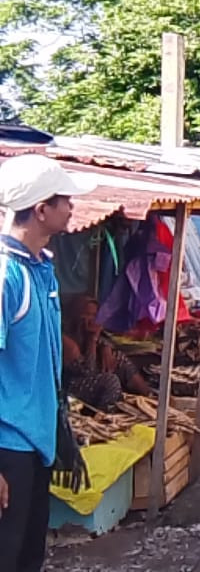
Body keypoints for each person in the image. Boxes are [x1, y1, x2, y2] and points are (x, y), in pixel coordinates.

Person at [0, 154, 95, 572]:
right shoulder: (6, 277)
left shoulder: (41, 269)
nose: (72, 207)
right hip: (8, 447)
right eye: (65, 200)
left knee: (27, 557)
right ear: (41, 210)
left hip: (37, 440)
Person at [62, 296, 152, 409]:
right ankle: (105, 415)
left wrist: (105, 346)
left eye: (94, 315)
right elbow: (86, 372)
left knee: (119, 359)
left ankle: (149, 396)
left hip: (90, 376)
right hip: (71, 386)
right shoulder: (67, 341)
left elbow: (106, 340)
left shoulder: (88, 335)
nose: (91, 320)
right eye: (87, 314)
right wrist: (92, 339)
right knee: (110, 381)